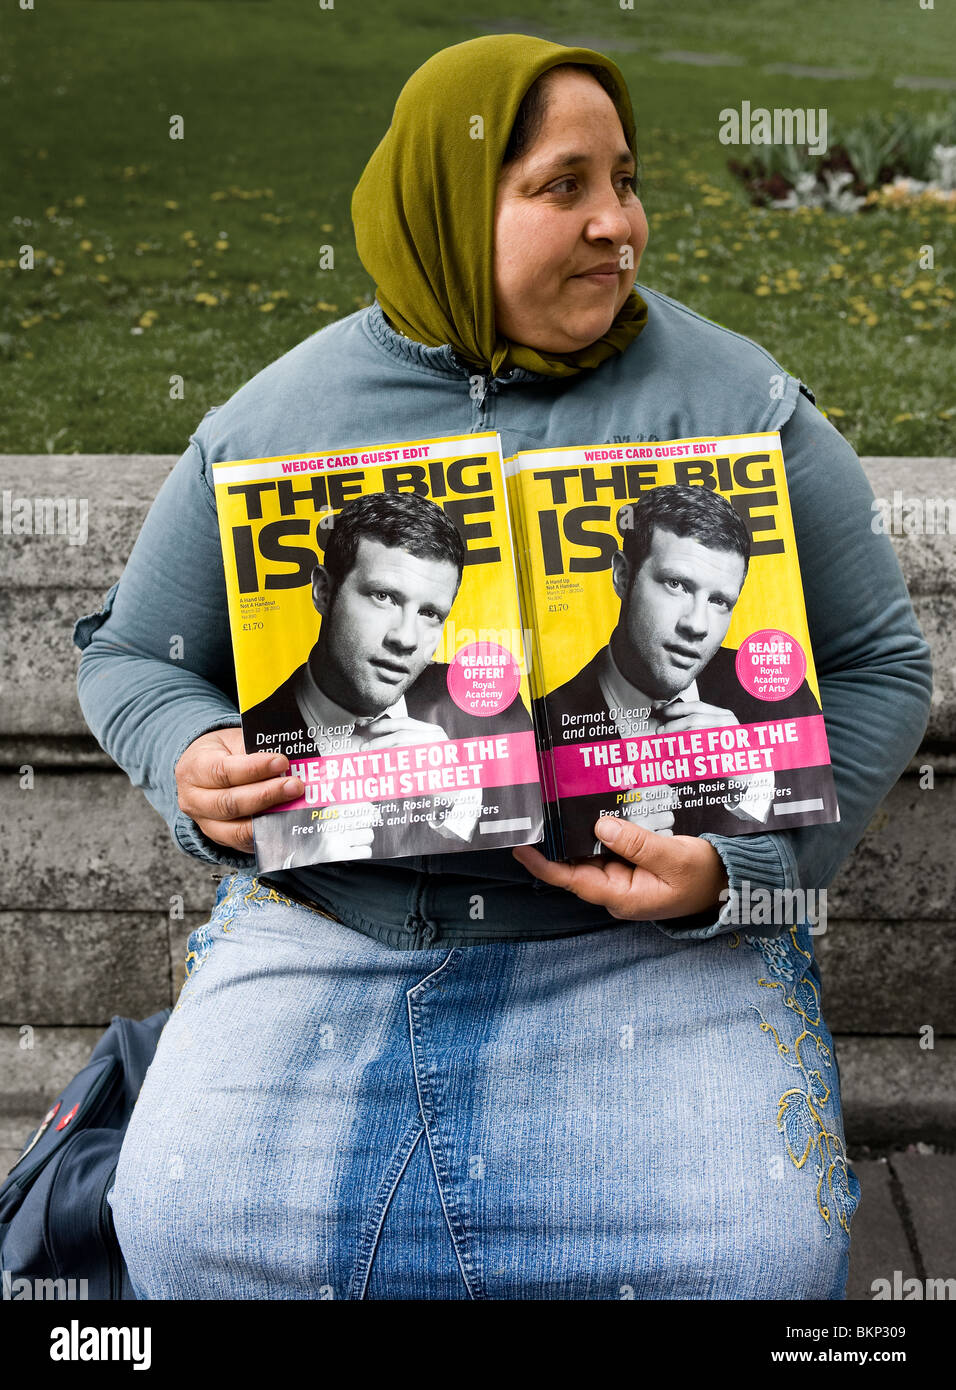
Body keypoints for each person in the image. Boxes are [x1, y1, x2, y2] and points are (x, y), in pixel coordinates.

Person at [73, 34, 932, 1299]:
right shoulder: (268, 426)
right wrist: (187, 758)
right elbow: (132, 657)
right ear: (442, 205)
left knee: (754, 1251)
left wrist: (735, 869)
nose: (615, 224)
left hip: (650, 955)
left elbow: (876, 663)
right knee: (183, 1225)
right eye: (561, 187)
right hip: (336, 925)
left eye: (625, 181)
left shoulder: (739, 405)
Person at [245, 490, 539, 867]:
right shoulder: (251, 734)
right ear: (323, 591)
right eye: (383, 596)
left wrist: (461, 802)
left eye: (430, 613)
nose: (406, 638)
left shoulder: (490, 708)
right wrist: (294, 859)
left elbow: (539, 835)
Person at [543, 483, 834, 849]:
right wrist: (603, 848)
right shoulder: (543, 722)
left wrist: (753, 786)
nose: (697, 625)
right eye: (676, 584)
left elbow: (816, 841)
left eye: (719, 601)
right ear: (622, 575)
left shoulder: (777, 694)